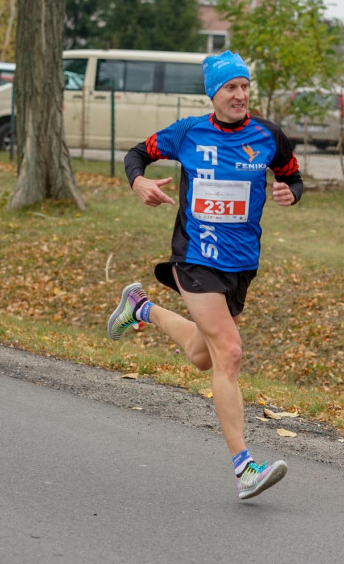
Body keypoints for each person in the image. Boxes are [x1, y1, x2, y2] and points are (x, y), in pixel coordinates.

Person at [108, 50, 304, 500]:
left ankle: (141, 308)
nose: (239, 95)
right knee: (230, 353)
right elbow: (137, 154)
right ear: (213, 93)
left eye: (244, 86)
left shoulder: (268, 136)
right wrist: (139, 182)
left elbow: (294, 178)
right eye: (230, 87)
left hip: (241, 265)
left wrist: (290, 192)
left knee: (203, 355)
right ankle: (244, 468)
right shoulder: (187, 133)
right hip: (195, 257)